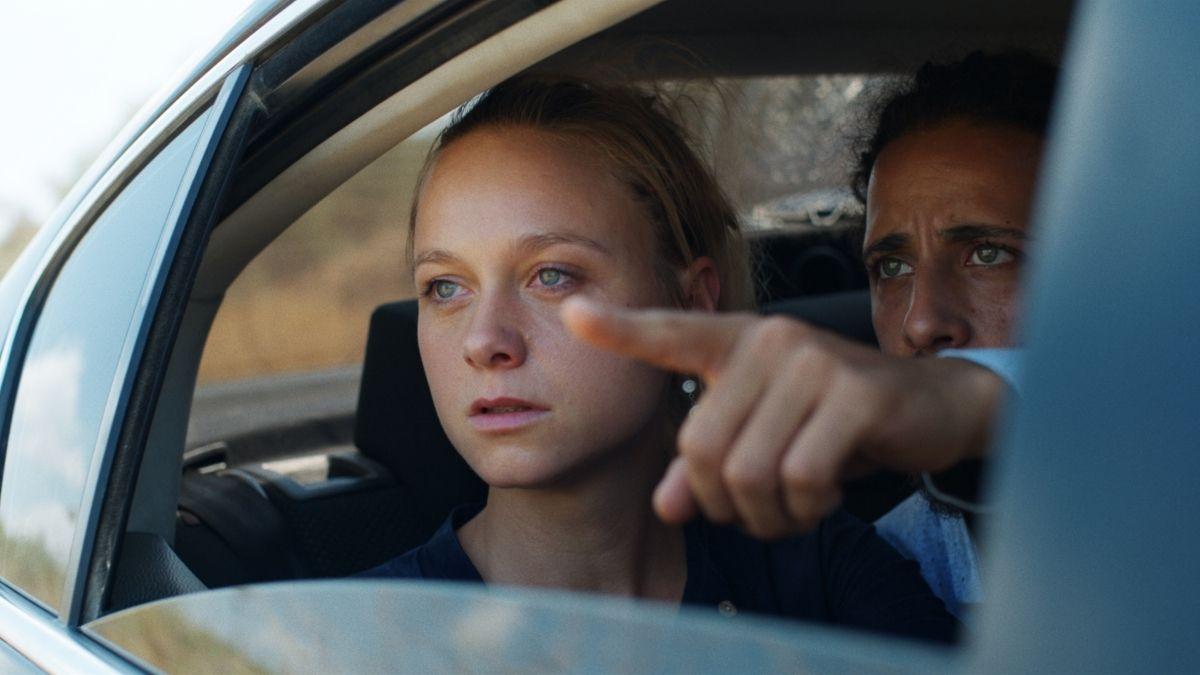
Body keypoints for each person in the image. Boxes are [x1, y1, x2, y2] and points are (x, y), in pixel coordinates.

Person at [361, 74, 956, 642]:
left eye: (551, 275)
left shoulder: (821, 575)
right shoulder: (347, 642)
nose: (483, 340)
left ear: (690, 303)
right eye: (444, 287)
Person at [562, 52, 1056, 620]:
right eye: (891, 270)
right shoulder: (892, 561)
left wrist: (977, 397)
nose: (920, 322)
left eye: (988, 255)